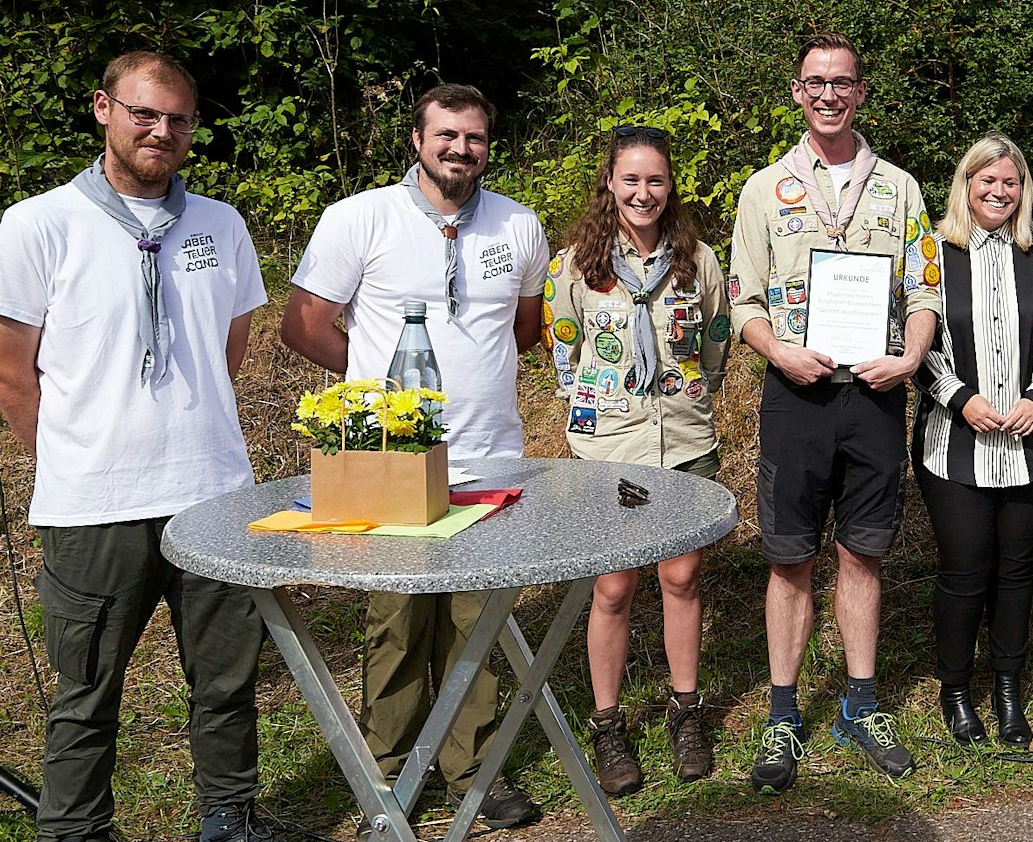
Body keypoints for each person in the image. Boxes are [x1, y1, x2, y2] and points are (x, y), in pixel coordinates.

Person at [0, 53, 269, 842]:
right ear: (102, 108)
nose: (162, 130)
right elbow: (13, 373)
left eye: (178, 118)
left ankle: (228, 819)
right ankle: (76, 831)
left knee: (226, 680)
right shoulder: (37, 223)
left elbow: (228, 348)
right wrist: (74, 457)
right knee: (87, 692)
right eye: (144, 112)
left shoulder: (221, 223)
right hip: (94, 505)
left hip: (212, 493)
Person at [281, 84, 549, 827]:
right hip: (392, 459)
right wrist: (378, 394)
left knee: (476, 623)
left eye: (475, 137)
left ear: (488, 146)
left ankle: (474, 770)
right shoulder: (360, 217)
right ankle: (388, 776)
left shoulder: (520, 225)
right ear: (417, 140)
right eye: (447, 135)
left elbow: (525, 329)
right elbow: (302, 325)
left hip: (488, 456)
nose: (461, 149)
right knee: (396, 622)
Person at [727, 32, 940, 792]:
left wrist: (912, 359)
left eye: (842, 82)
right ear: (796, 91)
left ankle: (859, 702)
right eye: (815, 82)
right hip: (797, 393)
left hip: (876, 392)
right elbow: (743, 298)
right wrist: (777, 351)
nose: (828, 94)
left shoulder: (900, 188)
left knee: (863, 552)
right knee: (790, 556)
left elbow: (925, 290)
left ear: (860, 92)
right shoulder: (764, 189)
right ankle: (784, 712)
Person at [547, 125, 730, 789]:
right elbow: (564, 349)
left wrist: (684, 398)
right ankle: (608, 724)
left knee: (681, 579)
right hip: (610, 448)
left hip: (683, 441)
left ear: (670, 185)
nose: (643, 192)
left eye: (655, 179)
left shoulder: (698, 260)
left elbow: (715, 345)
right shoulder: (575, 265)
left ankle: (686, 712)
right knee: (614, 586)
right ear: (610, 182)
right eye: (631, 179)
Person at [913, 134, 1033, 748]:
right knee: (965, 571)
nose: (998, 191)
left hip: (1029, 446)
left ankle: (1007, 689)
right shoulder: (933, 252)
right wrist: (959, 396)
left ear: (1023, 190)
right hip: (952, 445)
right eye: (986, 180)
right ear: (966, 185)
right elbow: (912, 338)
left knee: (1016, 572)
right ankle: (956, 691)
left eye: (1010, 182)